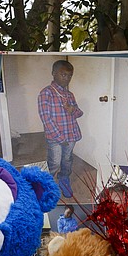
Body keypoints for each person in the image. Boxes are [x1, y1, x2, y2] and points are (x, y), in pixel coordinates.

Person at [38, 60, 83, 198]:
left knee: (67, 159)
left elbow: (79, 113)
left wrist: (72, 109)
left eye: (70, 75)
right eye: (63, 74)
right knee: (55, 161)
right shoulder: (46, 93)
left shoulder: (70, 95)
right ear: (53, 73)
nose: (67, 78)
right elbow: (46, 119)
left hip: (71, 135)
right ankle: (47, 182)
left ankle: (64, 178)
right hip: (56, 137)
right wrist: (60, 138)